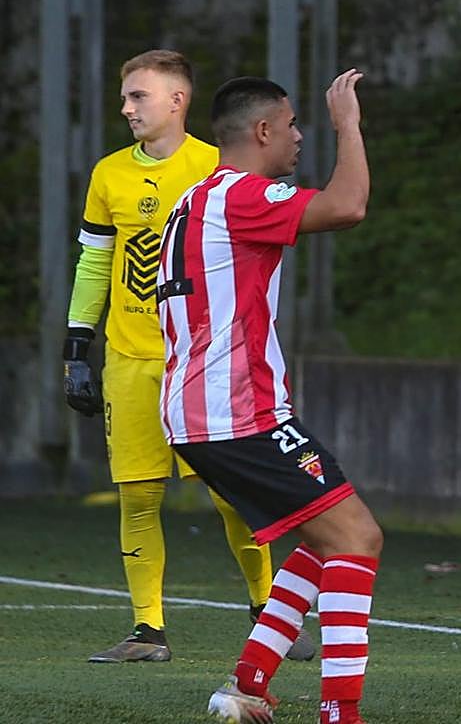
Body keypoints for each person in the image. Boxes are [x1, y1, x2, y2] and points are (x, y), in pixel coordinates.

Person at [63, 49, 313, 664]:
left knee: (229, 492)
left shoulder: (216, 168)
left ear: (177, 101)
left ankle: (267, 611)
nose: (127, 108)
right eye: (125, 97)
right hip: (130, 358)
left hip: (202, 359)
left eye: (138, 96)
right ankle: (147, 630)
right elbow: (96, 260)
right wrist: (77, 345)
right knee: (138, 495)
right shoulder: (108, 175)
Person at [157, 70, 381, 724]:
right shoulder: (242, 194)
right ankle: (340, 713)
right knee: (357, 537)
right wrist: (348, 125)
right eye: (290, 126)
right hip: (237, 412)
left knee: (325, 535)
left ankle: (246, 684)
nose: (299, 136)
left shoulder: (193, 199)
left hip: (204, 412)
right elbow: (348, 206)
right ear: (261, 132)